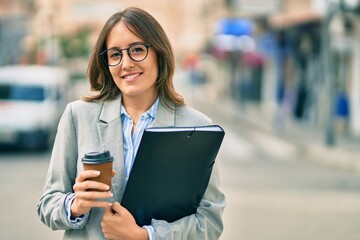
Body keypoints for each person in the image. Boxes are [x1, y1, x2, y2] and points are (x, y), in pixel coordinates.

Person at [37, 7, 225, 240]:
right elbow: (47, 204)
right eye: (115, 54)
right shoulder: (78, 116)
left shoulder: (197, 126)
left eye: (137, 50)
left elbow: (210, 222)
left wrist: (147, 236)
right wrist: (75, 205)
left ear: (159, 53)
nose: (126, 63)